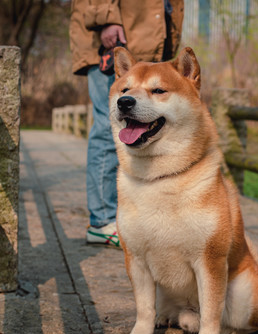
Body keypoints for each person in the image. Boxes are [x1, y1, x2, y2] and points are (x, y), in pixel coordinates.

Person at [69, 0, 184, 247]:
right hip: (115, 36)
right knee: (109, 125)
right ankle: (102, 221)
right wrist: (106, 18)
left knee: (149, 132)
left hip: (149, 38)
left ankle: (138, 219)